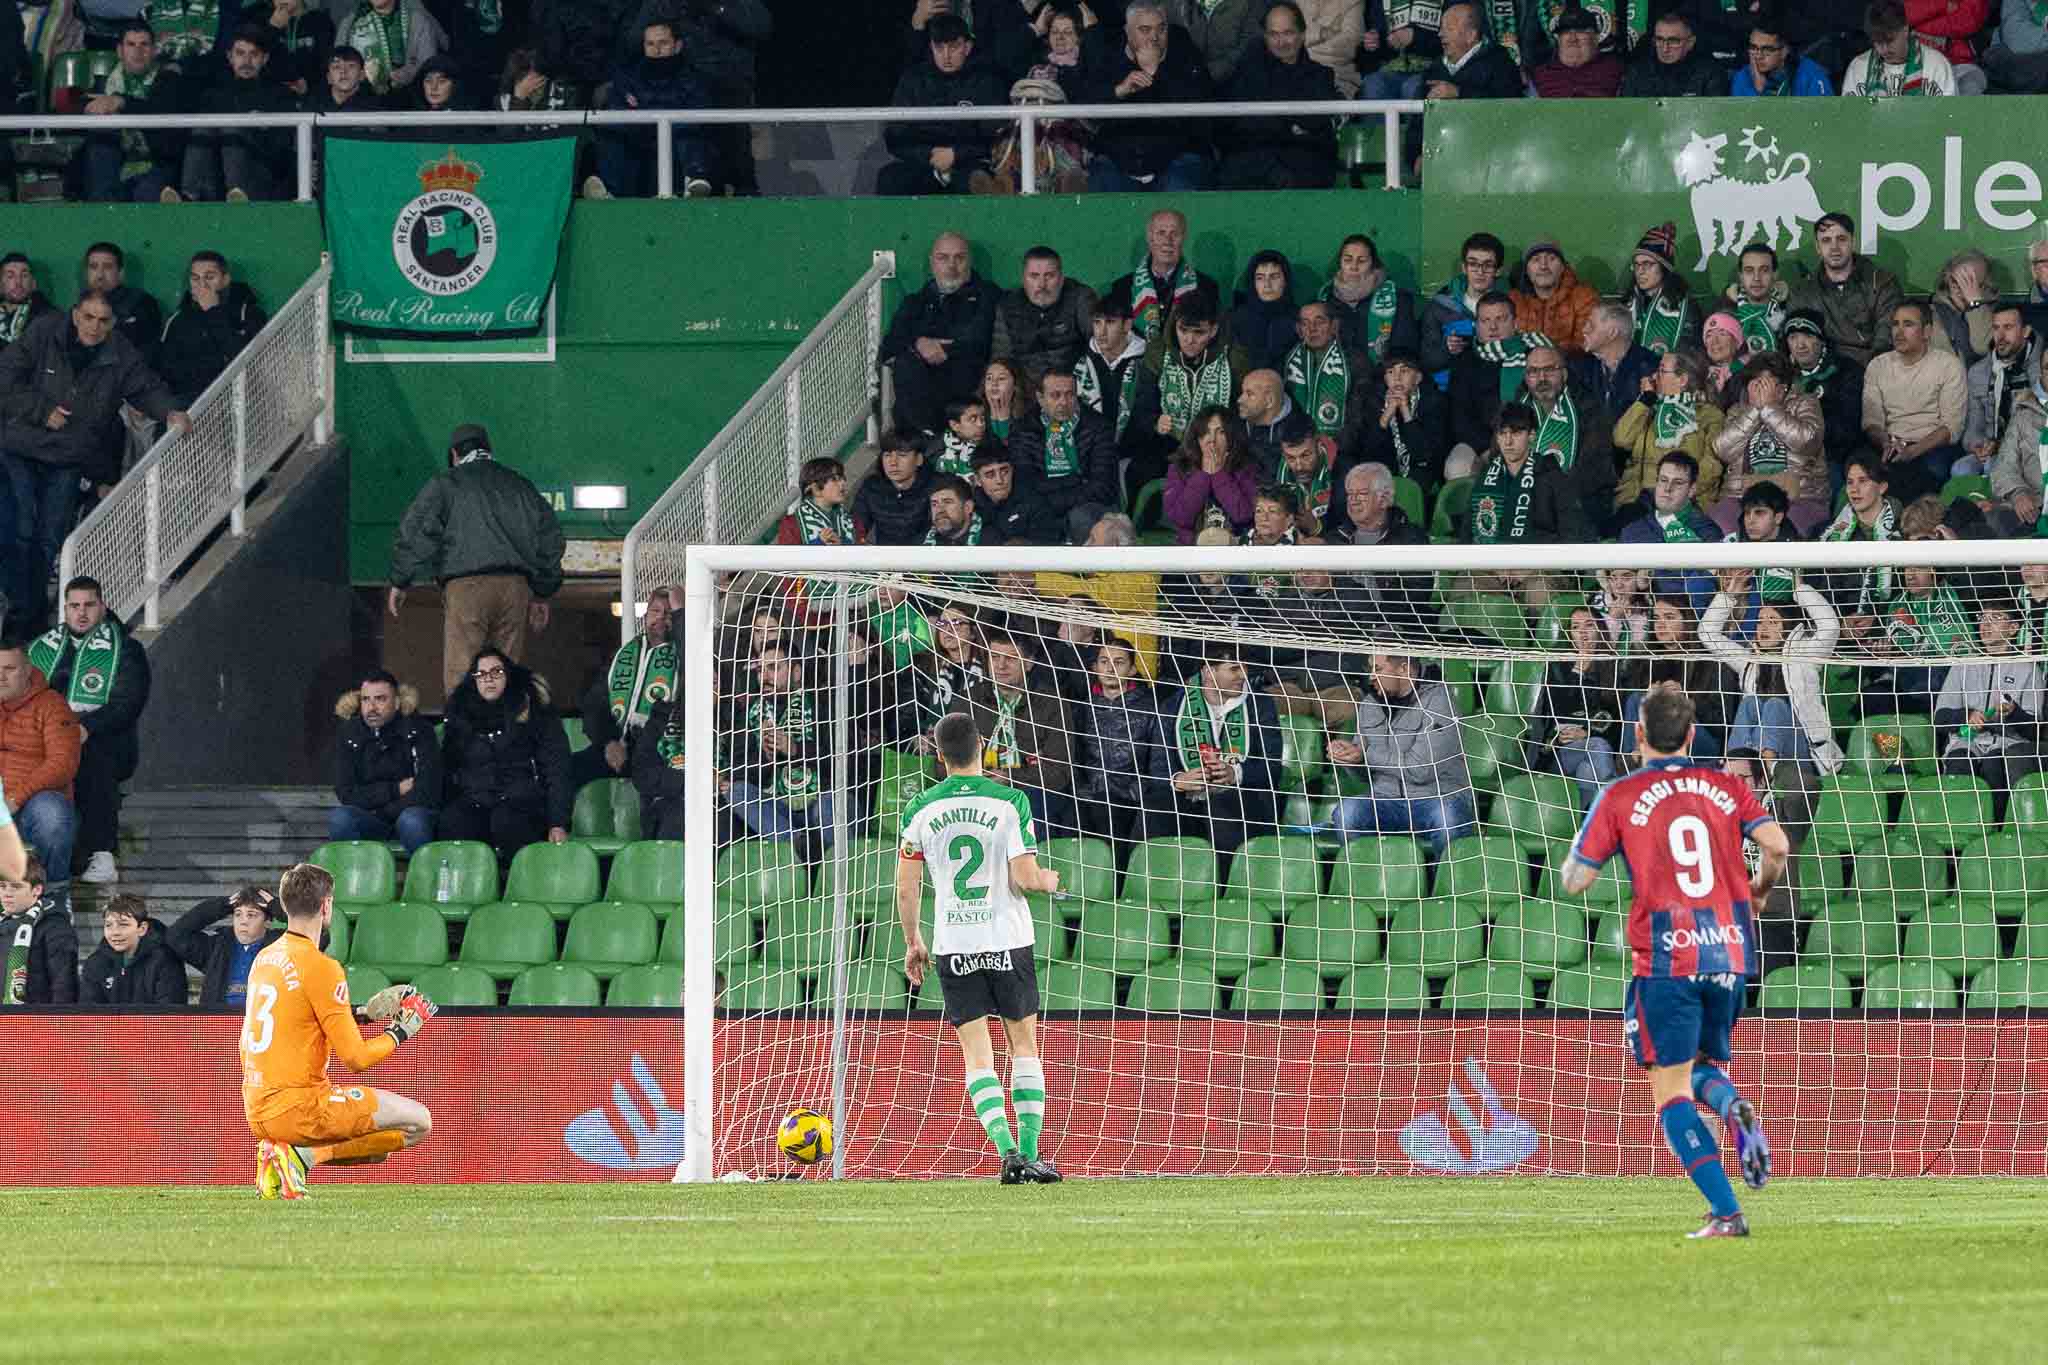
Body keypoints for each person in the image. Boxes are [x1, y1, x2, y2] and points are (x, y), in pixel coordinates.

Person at [1563, 686, 1784, 1239]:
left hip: (1668, 958)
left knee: (1670, 1092)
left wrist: (1595, 845)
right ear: (1691, 736)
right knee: (1700, 1067)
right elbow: (1776, 845)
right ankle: (1730, 1104)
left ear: (1638, 735)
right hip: (1731, 953)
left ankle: (1727, 1212)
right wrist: (1756, 893)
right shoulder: (1727, 785)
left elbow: (1576, 880)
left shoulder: (1620, 794)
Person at [896, 710, 1062, 1184]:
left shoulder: (919, 810)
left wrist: (914, 942)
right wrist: (1049, 879)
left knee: (977, 1055)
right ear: (982, 746)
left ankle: (1007, 1152)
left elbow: (907, 890)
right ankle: (1029, 1154)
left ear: (938, 753)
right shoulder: (1010, 802)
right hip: (1007, 940)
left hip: (955, 943)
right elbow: (1026, 879)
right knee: (1023, 1046)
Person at [242, 862, 436, 1199]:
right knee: (418, 1122)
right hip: (302, 1109)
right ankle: (301, 1156)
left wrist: (359, 1013)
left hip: (257, 1109)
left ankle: (280, 1157)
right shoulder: (322, 966)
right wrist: (400, 1031)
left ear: (286, 905)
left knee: (375, 1140)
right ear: (326, 905)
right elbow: (357, 1058)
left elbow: (298, 1017)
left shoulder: (265, 958)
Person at [0, 291, 189, 624]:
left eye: (103, 320)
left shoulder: (120, 352)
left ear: (113, 323)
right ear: (75, 314)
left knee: (49, 538)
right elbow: (5, 378)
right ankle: (20, 611)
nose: (94, 326)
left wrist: (170, 411)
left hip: (70, 457)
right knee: (21, 529)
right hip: (21, 448)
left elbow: (145, 387)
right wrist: (41, 410)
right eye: (88, 317)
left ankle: (27, 617)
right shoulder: (44, 331)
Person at [387, 422, 565, 697]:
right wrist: (542, 592)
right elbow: (550, 539)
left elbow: (417, 531)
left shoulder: (447, 483)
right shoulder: (519, 485)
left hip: (467, 588)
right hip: (515, 589)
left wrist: (401, 580)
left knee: (463, 673)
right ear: (487, 451)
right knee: (506, 673)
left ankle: (465, 736)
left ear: (455, 454)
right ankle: (507, 734)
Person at [30, 578, 150, 886]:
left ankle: (102, 853)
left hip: (104, 742)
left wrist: (85, 727)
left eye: (89, 605)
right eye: (74, 606)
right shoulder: (42, 649)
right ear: (65, 610)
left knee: (90, 754)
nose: (81, 613)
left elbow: (127, 703)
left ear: (103, 607)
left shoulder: (125, 650)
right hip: (49, 740)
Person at [1149, 638, 1279, 860]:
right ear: (1208, 671)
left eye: (1245, 668)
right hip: (1188, 799)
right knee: (1155, 808)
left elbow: (1273, 769)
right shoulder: (1174, 705)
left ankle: (1228, 889)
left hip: (1243, 799)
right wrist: (1179, 780)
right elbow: (1158, 766)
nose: (1243, 676)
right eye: (1234, 669)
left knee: (1222, 807)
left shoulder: (1260, 704)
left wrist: (1235, 773)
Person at [1703, 573, 1845, 774]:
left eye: (1773, 621)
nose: (1764, 627)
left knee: (1775, 704)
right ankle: (1737, 768)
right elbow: (1707, 634)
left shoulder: (1805, 653)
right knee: (1749, 703)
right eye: (1760, 621)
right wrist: (1729, 596)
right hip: (1754, 749)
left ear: (1787, 626)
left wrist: (1800, 590)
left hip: (1802, 755)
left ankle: (1766, 772)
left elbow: (1830, 626)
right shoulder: (1749, 661)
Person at [438, 647, 572, 859]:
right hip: (477, 802)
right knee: (454, 821)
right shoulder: (461, 717)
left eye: (496, 672)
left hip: (525, 805)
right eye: (481, 674)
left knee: (506, 821)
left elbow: (557, 770)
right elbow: (448, 771)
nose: (488, 679)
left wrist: (558, 822)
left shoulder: (535, 713)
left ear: (509, 676)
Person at [724, 637, 845, 862]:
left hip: (820, 802)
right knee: (736, 792)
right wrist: (765, 756)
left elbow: (844, 762)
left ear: (796, 672)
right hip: (779, 810)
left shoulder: (822, 702)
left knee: (829, 804)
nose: (764, 677)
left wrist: (795, 749)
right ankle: (797, 845)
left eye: (773, 668)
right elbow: (738, 771)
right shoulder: (751, 714)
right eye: (760, 670)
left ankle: (827, 870)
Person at [947, 629, 1075, 839]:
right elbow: (946, 760)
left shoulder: (1052, 704)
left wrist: (1010, 778)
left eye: (1011, 658)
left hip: (1029, 792)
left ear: (1029, 663)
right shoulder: (968, 700)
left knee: (1031, 807)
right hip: (975, 786)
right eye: (994, 657)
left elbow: (1059, 773)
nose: (1000, 665)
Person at [1083, 3, 1215, 192]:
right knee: (1104, 194)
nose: (1154, 37)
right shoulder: (1107, 55)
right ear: (1127, 32)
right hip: (1118, 160)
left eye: (1162, 29)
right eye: (1145, 30)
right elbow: (1086, 102)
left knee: (1180, 187)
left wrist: (1156, 73)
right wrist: (1119, 90)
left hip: (1177, 159)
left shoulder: (1184, 51)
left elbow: (1202, 103)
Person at [1933, 594, 2046, 807]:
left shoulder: (2029, 668)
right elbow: (1940, 718)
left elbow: (2036, 731)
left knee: (1994, 763)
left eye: (1996, 617)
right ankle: (1961, 829)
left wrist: (2013, 713)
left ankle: (1996, 831)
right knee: (1959, 761)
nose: (1986, 624)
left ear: (2013, 628)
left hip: (2008, 745)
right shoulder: (1963, 665)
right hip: (1965, 741)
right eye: (1983, 617)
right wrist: (1966, 716)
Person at [585, 17, 716, 199]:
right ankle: (609, 191)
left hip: (678, 144)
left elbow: (700, 111)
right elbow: (618, 109)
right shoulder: (628, 78)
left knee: (688, 128)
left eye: (663, 43)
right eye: (650, 44)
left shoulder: (695, 78)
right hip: (639, 140)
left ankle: (694, 181)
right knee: (612, 130)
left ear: (677, 46)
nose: (657, 49)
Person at [881, 232, 998, 435]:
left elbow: (982, 340)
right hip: (919, 395)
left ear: (969, 261)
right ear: (932, 262)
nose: (951, 266)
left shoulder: (989, 296)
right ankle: (925, 433)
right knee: (905, 362)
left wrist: (947, 349)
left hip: (966, 387)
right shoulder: (914, 303)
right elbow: (889, 346)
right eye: (943, 258)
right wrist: (919, 344)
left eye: (959, 258)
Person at [878, 14, 1005, 196]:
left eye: (954, 47)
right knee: (890, 178)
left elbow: (995, 137)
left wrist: (956, 154)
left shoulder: (987, 81)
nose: (946, 56)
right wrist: (928, 155)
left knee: (977, 181)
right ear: (931, 47)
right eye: (939, 48)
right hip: (923, 163)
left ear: (967, 47)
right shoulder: (913, 80)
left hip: (970, 163)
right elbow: (895, 136)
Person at [1216, 2, 1338, 190]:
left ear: (1302, 35)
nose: (1281, 42)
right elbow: (1240, 127)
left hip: (1302, 168)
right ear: (1265, 37)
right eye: (1273, 34)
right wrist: (1292, 126)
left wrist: (1271, 120)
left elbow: (1316, 128)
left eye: (1288, 33)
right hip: (1253, 164)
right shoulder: (1247, 73)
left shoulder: (1321, 76)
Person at [1071, 636, 1172, 860]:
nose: (1110, 668)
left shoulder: (1151, 708)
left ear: (1133, 669)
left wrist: (1137, 790)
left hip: (1132, 796)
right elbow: (1073, 758)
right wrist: (1080, 789)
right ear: (1095, 667)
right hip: (1089, 795)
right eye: (1104, 661)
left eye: (1118, 662)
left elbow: (1159, 761)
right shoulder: (1082, 708)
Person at [1526, 607, 1637, 810]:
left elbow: (1616, 719)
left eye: (1589, 626)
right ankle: (1615, 814)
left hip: (1595, 750)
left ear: (1600, 631)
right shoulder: (1558, 668)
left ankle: (1585, 825)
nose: (1583, 633)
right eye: (1576, 627)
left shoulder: (1614, 669)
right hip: (1559, 751)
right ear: (1570, 634)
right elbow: (1553, 712)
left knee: (1588, 769)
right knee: (1598, 747)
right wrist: (1577, 671)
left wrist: (1587, 732)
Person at [1862, 300, 1967, 501]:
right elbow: (1871, 421)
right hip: (1889, 443)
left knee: (1927, 471)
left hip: (1932, 446)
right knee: (1862, 467)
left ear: (1927, 332)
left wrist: (1912, 451)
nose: (1898, 332)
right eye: (1895, 324)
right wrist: (1886, 443)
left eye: (1908, 324)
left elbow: (1951, 427)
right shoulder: (1878, 366)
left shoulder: (1949, 365)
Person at [1130, 293, 1249, 471]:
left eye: (1199, 332)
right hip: (1167, 445)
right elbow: (1142, 405)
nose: (1189, 340)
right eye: (1183, 330)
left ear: (1214, 330)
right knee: (1138, 472)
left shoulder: (1233, 357)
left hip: (1219, 448)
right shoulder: (1158, 351)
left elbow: (1243, 411)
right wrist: (1155, 421)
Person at [1712, 353, 1829, 534]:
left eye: (1765, 384)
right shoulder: (1738, 410)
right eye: (1755, 383)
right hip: (1741, 496)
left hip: (1797, 496)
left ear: (1782, 388)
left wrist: (1769, 409)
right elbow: (1722, 450)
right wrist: (1754, 411)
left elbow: (1808, 441)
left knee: (1788, 529)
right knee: (1718, 526)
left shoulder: (1805, 403)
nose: (1759, 390)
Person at [181, 27, 299, 203]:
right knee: (202, 127)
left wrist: (260, 128)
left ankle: (237, 196)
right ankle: (188, 196)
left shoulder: (281, 95)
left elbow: (283, 152)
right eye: (240, 53)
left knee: (232, 127)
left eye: (254, 54)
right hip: (215, 181)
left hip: (262, 178)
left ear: (264, 59)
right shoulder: (213, 95)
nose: (247, 61)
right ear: (230, 57)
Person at [575, 586, 677, 791]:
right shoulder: (624, 654)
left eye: (669, 613)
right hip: (614, 744)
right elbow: (595, 704)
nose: (661, 618)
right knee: (569, 768)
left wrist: (641, 746)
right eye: (655, 611)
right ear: (646, 615)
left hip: (657, 750)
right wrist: (608, 742)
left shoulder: (683, 654)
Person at [330, 667, 439, 854]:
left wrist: (382, 809)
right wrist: (395, 789)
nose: (371, 707)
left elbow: (426, 790)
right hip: (373, 819)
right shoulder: (349, 734)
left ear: (397, 703)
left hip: (411, 814)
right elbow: (346, 793)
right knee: (341, 818)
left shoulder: (419, 730)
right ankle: (359, 880)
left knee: (412, 820)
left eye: (380, 699)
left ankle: (425, 880)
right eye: (365, 700)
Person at [1614, 349, 1726, 523]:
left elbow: (1712, 466)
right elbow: (1621, 439)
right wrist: (1645, 400)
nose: (1654, 376)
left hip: (1687, 503)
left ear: (1682, 380)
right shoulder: (1649, 409)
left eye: (1661, 371)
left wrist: (1674, 493)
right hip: (1638, 500)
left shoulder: (1709, 416)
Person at [79, 20, 184, 204]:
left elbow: (159, 113)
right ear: (120, 51)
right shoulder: (108, 84)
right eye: (131, 44)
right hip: (119, 164)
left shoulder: (169, 79)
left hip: (157, 163)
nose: (138, 51)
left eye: (144, 44)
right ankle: (103, 207)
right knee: (101, 130)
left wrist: (122, 102)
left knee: (147, 192)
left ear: (154, 51)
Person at [1787, 212, 1903, 367]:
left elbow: (1887, 338)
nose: (1834, 247)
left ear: (1852, 242)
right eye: (1826, 240)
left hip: (1874, 370)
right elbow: (1797, 342)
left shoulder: (1882, 282)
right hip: (1823, 373)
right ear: (1818, 247)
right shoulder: (1802, 292)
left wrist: (1865, 371)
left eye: (1841, 239)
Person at [1462, 403, 1581, 547]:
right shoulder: (1486, 477)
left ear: (1531, 436)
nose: (1508, 442)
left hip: (1538, 565)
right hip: (1488, 565)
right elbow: (1467, 535)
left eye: (1516, 433)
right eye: (1502, 433)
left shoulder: (1551, 476)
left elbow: (1571, 532)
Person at [158, 251, 266, 408]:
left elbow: (248, 361)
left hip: (237, 401)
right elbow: (164, 368)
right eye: (195, 278)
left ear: (225, 280)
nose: (202, 285)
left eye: (209, 277)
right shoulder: (178, 319)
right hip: (187, 403)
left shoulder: (248, 314)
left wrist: (213, 311)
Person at [1519, 343, 1616, 517]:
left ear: (1564, 374)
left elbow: (1592, 469)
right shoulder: (1516, 408)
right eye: (1533, 371)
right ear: (1526, 378)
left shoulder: (1591, 409)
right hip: (1525, 500)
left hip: (1579, 502)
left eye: (1549, 369)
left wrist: (1549, 496)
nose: (1542, 378)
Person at [1102, 209, 1220, 343]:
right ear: (1150, 238)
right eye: (1161, 233)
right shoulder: (1122, 288)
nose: (1167, 241)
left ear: (1184, 238)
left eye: (1174, 234)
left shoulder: (1206, 287)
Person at [1283, 301, 1376, 463]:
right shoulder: (1290, 361)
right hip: (1296, 453)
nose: (1312, 329)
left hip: (1344, 451)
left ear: (1334, 326)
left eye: (1319, 322)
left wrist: (1332, 449)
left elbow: (1359, 415)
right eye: (1305, 323)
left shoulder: (1355, 361)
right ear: (1299, 330)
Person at [1780, 308, 1867, 476]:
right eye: (1793, 338)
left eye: (1808, 336)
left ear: (1822, 341)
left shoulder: (1847, 371)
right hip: (1785, 455)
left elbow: (1847, 429)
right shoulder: (1781, 374)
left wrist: (1804, 437)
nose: (1800, 345)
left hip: (1832, 455)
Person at [169, 882, 284, 1008]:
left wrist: (277, 908)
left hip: (263, 1025)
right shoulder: (217, 948)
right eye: (238, 914)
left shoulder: (282, 947)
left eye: (251, 915)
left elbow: (308, 929)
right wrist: (222, 906)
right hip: (219, 1025)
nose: (243, 921)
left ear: (267, 921)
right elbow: (175, 935)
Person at [993, 246, 1097, 384]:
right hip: (1026, 392)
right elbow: (1001, 360)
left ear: (1061, 278)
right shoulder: (1008, 306)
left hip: (1073, 387)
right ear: (1024, 279)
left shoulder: (1080, 297)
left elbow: (1100, 344)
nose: (1042, 285)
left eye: (1049, 276)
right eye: (1034, 276)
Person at [1962, 303, 2035, 490]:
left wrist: (2004, 447)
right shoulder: (1978, 372)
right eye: (1996, 328)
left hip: (2027, 452)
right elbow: (1972, 428)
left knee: (1994, 468)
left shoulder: (2040, 369)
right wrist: (1978, 446)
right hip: (1991, 450)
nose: (2000, 337)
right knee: (1960, 470)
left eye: (2008, 328)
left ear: (2026, 331)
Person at [1359, 348, 1447, 499]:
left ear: (1418, 378)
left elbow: (1424, 455)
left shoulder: (1434, 402)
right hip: (1386, 471)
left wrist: (1406, 412)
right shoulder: (1373, 401)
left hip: (1423, 472)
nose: (1397, 378)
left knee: (1414, 487)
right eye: (1391, 372)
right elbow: (1368, 453)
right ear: (1385, 379)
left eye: (1404, 371)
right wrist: (1387, 414)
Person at [1319, 234, 1418, 365]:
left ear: (1373, 264)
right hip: (1336, 378)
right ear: (1340, 263)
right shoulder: (1325, 298)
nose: (1354, 267)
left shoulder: (1397, 298)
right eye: (1348, 260)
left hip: (1382, 378)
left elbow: (1404, 350)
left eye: (1361, 261)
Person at [1166, 406, 1259, 542]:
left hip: (1236, 547)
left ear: (1231, 437)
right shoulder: (1179, 467)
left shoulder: (1247, 467)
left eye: (1220, 432)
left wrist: (1219, 475)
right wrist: (1203, 476)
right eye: (1206, 432)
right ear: (1197, 437)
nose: (1211, 440)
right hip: (1192, 549)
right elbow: (1181, 518)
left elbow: (1244, 515)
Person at [1420, 231, 1505, 379]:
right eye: (1473, 264)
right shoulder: (1440, 306)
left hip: (1495, 387)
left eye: (1488, 265)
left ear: (1498, 270)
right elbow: (1426, 360)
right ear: (1464, 268)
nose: (1480, 271)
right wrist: (1447, 349)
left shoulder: (1510, 305)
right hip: (1448, 391)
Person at [79, 892, 187, 1006]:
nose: (115, 932)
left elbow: (170, 1014)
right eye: (108, 925)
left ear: (142, 928)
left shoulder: (165, 960)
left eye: (123, 925)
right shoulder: (95, 963)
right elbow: (89, 1014)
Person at [0, 852, 77, 1004]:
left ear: (37, 890)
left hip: (35, 1022)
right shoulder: (3, 922)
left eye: (15, 887)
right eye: (2, 886)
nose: (7, 894)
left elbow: (64, 986)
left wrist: (56, 1025)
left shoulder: (56, 927)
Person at [1842, 0, 1960, 95]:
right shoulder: (1858, 68)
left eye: (1889, 40)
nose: (1883, 49)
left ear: (1905, 30)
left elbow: (1949, 120)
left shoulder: (1936, 64)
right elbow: (1851, 121)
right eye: (1877, 42)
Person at [330, 0, 448, 95]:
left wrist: (406, 73)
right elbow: (337, 63)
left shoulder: (417, 20)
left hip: (410, 98)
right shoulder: (350, 23)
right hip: (361, 99)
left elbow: (429, 64)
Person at [1992, 341, 2048, 534]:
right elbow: (2003, 466)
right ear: (2041, 373)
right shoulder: (2024, 414)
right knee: (1995, 521)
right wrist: (2018, 493)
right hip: (2034, 506)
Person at [1512, 241, 1598, 359]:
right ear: (1526, 270)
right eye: (1536, 260)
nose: (1543, 266)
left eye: (1551, 259)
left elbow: (1585, 348)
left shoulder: (1583, 297)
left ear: (1563, 267)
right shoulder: (1514, 300)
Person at [81, 244, 162, 367]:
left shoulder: (142, 304)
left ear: (120, 273)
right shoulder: (79, 308)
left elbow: (146, 357)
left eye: (107, 267)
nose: (99, 275)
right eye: (93, 267)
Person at [854, 429, 936, 546]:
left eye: (902, 455)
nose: (893, 463)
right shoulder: (872, 486)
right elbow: (857, 524)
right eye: (887, 455)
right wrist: (860, 541)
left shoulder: (936, 485)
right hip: (885, 559)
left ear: (919, 459)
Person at [1621, 7, 1726, 96]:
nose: (1665, 48)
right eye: (1659, 39)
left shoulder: (1709, 74)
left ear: (1690, 42)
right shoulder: (1636, 73)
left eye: (1674, 41)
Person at [972, 446, 1061, 546]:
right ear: (977, 480)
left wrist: (1027, 543)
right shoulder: (970, 508)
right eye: (990, 474)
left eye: (1004, 471)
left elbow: (1051, 541)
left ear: (1012, 470)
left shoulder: (1033, 499)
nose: (999, 480)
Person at [1230, 250, 1301, 374]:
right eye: (1260, 278)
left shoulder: (1300, 319)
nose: (1267, 285)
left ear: (1285, 281)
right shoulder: (1236, 319)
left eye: (1274, 277)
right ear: (1253, 282)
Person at [1731, 11, 1834, 94]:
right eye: (1753, 48)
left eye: (1767, 49)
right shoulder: (1743, 77)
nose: (1758, 56)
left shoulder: (1811, 75)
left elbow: (1823, 117)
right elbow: (1745, 119)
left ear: (1784, 51)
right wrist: (1758, 91)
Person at [0, 254, 51, 348]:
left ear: (33, 283)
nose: (18, 282)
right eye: (10, 276)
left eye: (24, 275)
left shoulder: (48, 319)